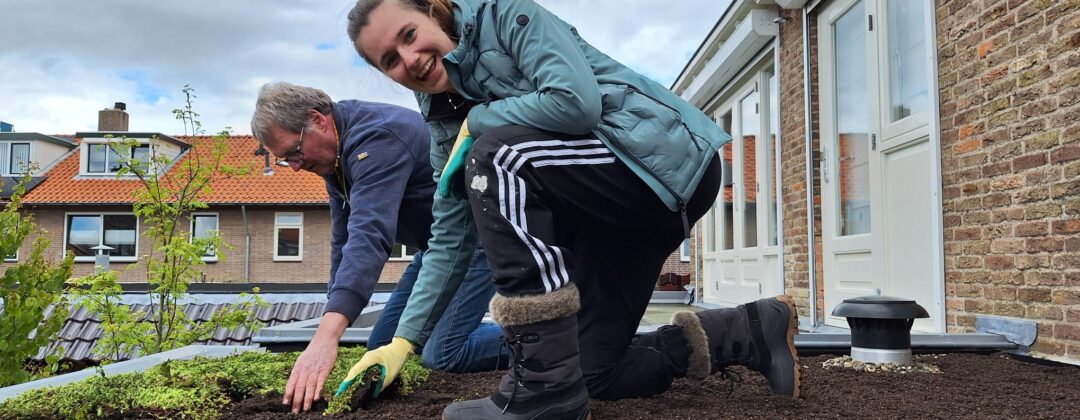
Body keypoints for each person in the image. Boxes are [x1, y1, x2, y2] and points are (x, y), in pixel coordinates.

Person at [341, 0, 802, 418]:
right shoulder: (439, 114)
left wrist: (477, 121)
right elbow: (451, 235)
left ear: (431, 10)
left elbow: (575, 104)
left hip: (658, 164)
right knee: (591, 375)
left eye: (408, 35)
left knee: (496, 155)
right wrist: (403, 342)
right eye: (390, 61)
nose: (410, 59)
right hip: (609, 215)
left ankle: (541, 385)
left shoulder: (505, 17)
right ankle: (747, 330)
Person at [250, 82, 507, 414]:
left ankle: (549, 337)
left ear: (318, 120)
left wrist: (325, 339)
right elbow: (342, 242)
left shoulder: (378, 138)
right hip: (435, 249)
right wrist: (330, 324)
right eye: (287, 160)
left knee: (443, 353)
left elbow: (370, 235)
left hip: (475, 244)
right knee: (379, 345)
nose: (296, 165)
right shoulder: (335, 156)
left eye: (294, 152)